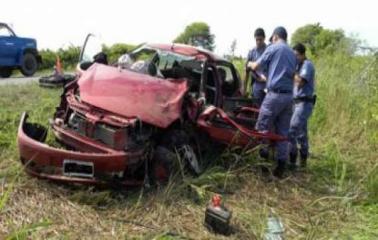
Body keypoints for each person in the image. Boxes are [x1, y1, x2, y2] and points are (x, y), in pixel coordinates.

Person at [247, 26, 296, 178]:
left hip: (274, 96)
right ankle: (281, 167)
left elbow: (256, 66)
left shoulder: (273, 48)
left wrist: (249, 64)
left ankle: (264, 166)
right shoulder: (292, 53)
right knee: (282, 132)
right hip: (289, 97)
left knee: (263, 127)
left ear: (275, 36)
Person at [288, 43, 316, 169]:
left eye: (296, 55)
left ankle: (292, 162)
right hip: (296, 103)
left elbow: (300, 82)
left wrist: (290, 73)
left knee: (291, 131)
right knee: (301, 134)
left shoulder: (307, 65)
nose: (295, 58)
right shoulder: (298, 66)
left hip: (304, 103)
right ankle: (303, 161)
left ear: (303, 54)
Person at [245, 28, 268, 107]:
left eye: (260, 40)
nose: (258, 42)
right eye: (256, 40)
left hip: (268, 84)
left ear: (264, 38)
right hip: (257, 85)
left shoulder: (269, 50)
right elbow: (246, 71)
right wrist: (244, 89)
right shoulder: (252, 52)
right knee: (256, 109)